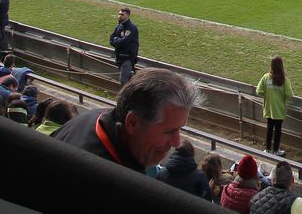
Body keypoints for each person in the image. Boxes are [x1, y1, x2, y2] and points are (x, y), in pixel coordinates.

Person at [53, 68, 202, 173]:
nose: (176, 142)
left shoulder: (92, 117)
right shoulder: (106, 181)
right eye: (168, 131)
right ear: (132, 123)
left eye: (179, 129)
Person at [256, 56, 292, 156]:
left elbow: (259, 91)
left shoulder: (266, 77)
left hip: (268, 108)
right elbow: (289, 94)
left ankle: (267, 149)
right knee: (278, 130)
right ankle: (276, 150)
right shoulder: (284, 79)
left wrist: (267, 95)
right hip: (279, 110)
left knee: (269, 128)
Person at [110, 7, 140, 85]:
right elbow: (111, 39)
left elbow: (124, 42)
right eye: (119, 14)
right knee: (129, 79)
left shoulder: (131, 27)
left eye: (122, 14)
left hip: (127, 57)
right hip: (119, 56)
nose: (119, 16)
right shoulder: (119, 26)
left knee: (123, 81)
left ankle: (125, 96)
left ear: (128, 15)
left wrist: (116, 40)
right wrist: (118, 40)